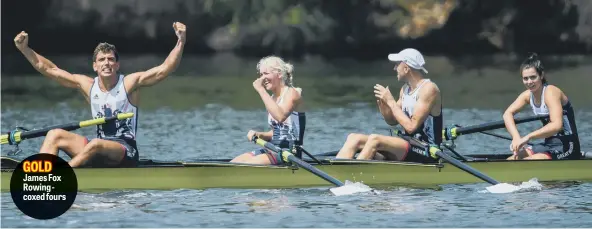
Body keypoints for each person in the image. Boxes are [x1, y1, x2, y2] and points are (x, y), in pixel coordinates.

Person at [13, 22, 187, 167]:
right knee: (54, 134)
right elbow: (50, 69)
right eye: (102, 60)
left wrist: (181, 41)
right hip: (98, 150)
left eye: (111, 59)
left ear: (117, 65)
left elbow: (164, 69)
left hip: (125, 150)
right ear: (95, 66)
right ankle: (42, 175)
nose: (107, 63)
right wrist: (25, 49)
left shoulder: (129, 83)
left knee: (95, 144)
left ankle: (60, 175)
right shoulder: (87, 85)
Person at [335, 48, 442, 162]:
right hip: (408, 145)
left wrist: (391, 102)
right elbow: (392, 121)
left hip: (426, 151)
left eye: (397, 65)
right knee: (354, 138)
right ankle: (336, 173)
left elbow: (411, 127)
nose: (394, 68)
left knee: (375, 139)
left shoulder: (429, 89)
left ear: (406, 68)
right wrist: (385, 107)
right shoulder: (405, 89)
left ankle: (352, 176)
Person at [503, 53, 580, 160]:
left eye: (533, 77)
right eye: (525, 78)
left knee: (526, 162)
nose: (529, 82)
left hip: (568, 146)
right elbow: (507, 114)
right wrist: (516, 138)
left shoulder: (551, 92)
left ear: (541, 75)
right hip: (548, 145)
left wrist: (528, 137)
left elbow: (556, 125)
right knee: (512, 159)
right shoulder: (527, 95)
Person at [230, 56, 305, 165]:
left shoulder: (292, 93)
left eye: (266, 74)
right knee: (234, 163)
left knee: (246, 165)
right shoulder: (273, 98)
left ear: (279, 74)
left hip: (289, 153)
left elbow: (280, 117)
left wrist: (261, 90)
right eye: (261, 75)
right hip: (273, 150)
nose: (261, 79)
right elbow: (277, 132)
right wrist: (260, 135)